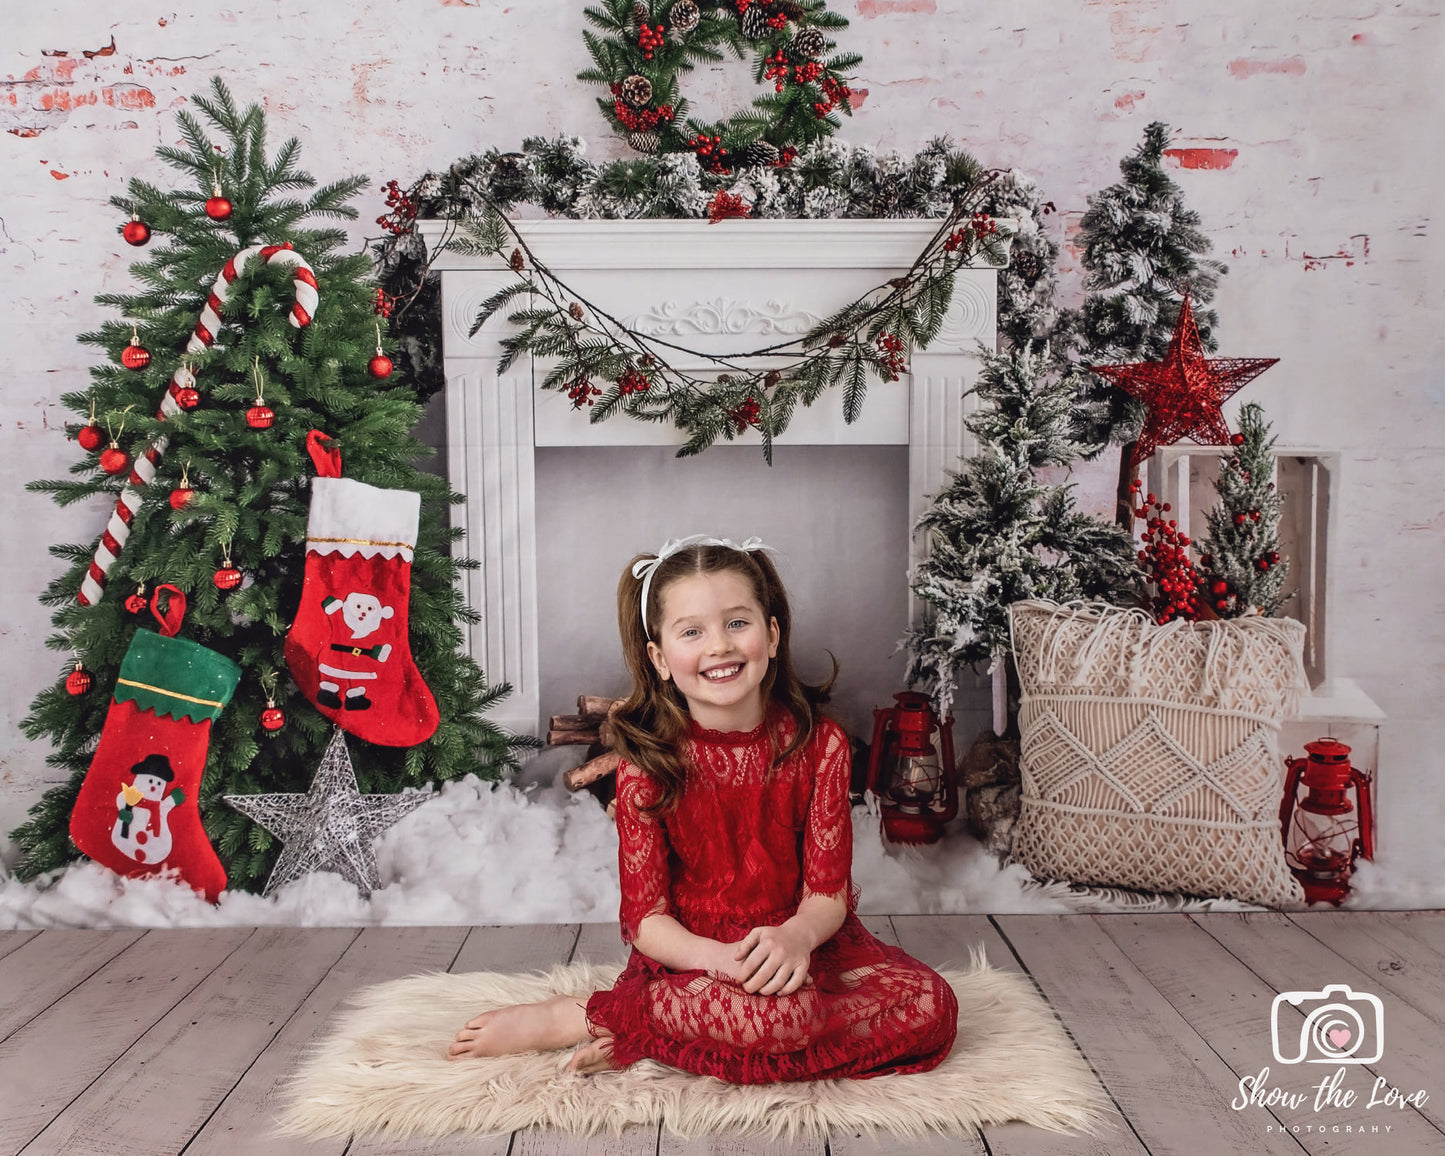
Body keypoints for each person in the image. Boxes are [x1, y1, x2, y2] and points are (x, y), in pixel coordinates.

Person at [449, 535, 958, 1081]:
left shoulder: (822, 746)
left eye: (738, 623)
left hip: (800, 942)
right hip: (692, 956)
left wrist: (796, 938)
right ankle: (590, 1015)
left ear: (773, 634)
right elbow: (647, 922)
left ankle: (656, 1035)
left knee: (932, 1007)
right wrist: (722, 961)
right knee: (777, 1023)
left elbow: (826, 895)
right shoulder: (648, 765)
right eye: (692, 632)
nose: (719, 646)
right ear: (661, 659)